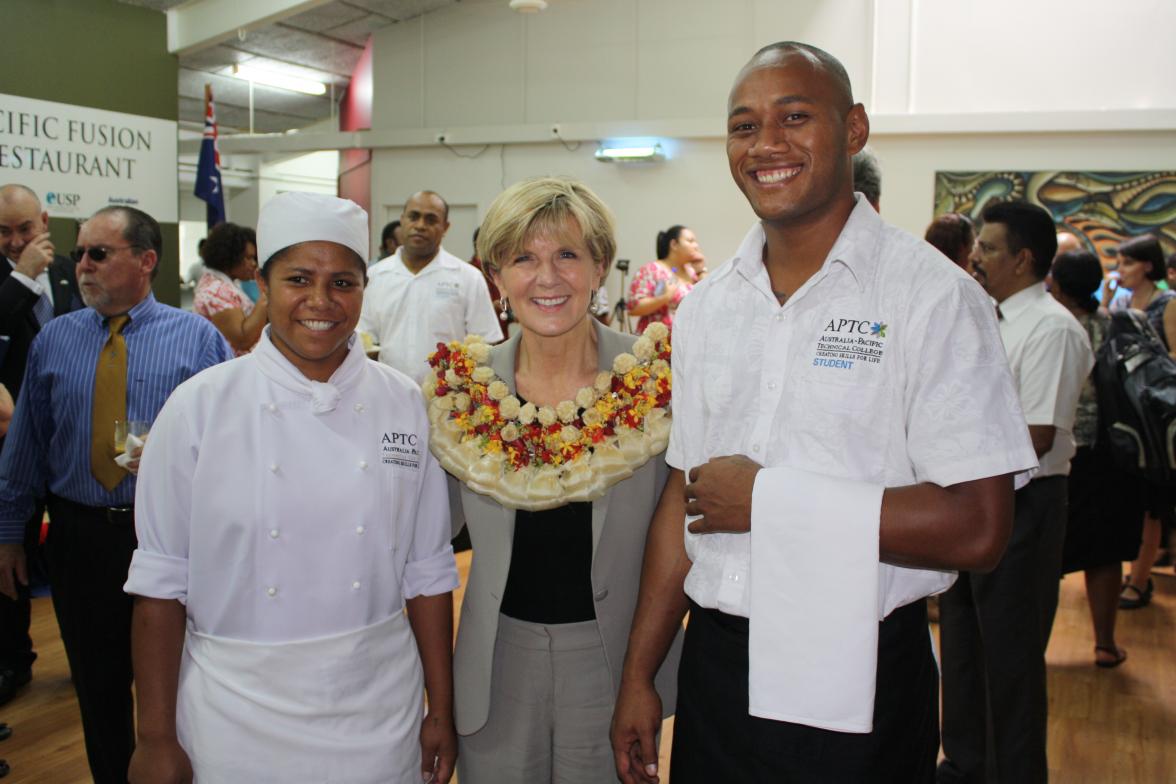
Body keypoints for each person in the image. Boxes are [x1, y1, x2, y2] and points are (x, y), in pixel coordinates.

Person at [609, 42, 1035, 784]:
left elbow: (979, 526)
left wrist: (771, 500)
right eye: (744, 126)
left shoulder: (930, 297)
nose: (766, 143)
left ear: (854, 129)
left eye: (795, 117)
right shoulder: (709, 307)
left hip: (859, 673)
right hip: (717, 668)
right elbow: (688, 498)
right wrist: (641, 673)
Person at [125, 192, 458, 784]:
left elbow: (428, 572)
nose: (321, 302)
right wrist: (154, 737)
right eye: (298, 279)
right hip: (234, 711)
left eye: (344, 282)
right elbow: (160, 581)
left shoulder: (404, 402)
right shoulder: (200, 407)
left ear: (364, 288)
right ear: (262, 282)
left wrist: (442, 711)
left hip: (379, 707)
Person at [427, 176, 680, 783]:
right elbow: (423, 543)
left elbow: (678, 541)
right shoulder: (461, 387)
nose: (547, 278)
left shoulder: (656, 380)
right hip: (495, 663)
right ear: (496, 276)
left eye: (567, 254)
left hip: (616, 661)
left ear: (599, 267)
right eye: (523, 258)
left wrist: (642, 678)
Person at [0, 205, 232, 784]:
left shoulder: (197, 339)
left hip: (170, 535)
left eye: (98, 254)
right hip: (80, 535)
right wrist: (8, 533)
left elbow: (233, 440)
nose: (82, 266)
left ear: (146, 260)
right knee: (97, 686)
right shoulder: (54, 340)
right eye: (80, 254)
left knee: (178, 680)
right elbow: (26, 442)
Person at [940, 200, 1092, 783]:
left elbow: (1036, 434)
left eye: (990, 248)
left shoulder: (1052, 328)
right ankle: (964, 765)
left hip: (1025, 504)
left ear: (1024, 259)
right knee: (962, 646)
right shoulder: (989, 317)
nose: (975, 256)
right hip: (967, 494)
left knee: (1010, 660)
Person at [0, 183, 84, 705]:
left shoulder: (70, 268)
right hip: (12, 445)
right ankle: (13, 660)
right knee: (10, 556)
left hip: (71, 439)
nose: (14, 240)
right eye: (4, 231)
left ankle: (87, 656)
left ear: (46, 220)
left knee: (77, 557)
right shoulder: (16, 274)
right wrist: (20, 276)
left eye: (25, 228)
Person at [1051, 249, 1144, 667]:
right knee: (1104, 554)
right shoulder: (1118, 323)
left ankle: (1035, 650)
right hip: (1114, 454)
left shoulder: (1056, 328)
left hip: (1065, 454)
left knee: (1049, 557)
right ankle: (1105, 643)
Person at [360, 191, 502, 379]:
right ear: (402, 220)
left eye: (431, 219)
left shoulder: (468, 278)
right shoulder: (375, 276)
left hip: (448, 400)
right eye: (413, 217)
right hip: (388, 395)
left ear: (445, 227)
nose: (420, 225)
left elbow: (487, 345)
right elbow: (364, 339)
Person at [1113, 234, 1176, 610]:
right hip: (1125, 414)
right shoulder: (1121, 302)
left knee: (1154, 502)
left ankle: (1140, 577)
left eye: (1127, 263)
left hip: (1155, 416)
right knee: (1131, 498)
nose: (1120, 271)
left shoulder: (1166, 303)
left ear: (1147, 266)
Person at [193, 221, 267, 356]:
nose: (253, 264)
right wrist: (267, 294)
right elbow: (243, 339)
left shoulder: (222, 284)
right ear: (229, 256)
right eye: (248, 258)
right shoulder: (216, 291)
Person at [626, 225, 706, 333]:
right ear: (674, 244)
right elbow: (633, 308)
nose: (696, 246)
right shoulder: (652, 269)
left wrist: (700, 269)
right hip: (656, 344)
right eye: (690, 241)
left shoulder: (692, 272)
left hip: (685, 341)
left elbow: (707, 298)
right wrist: (665, 297)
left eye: (695, 241)